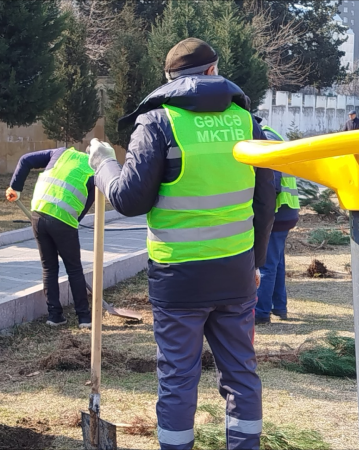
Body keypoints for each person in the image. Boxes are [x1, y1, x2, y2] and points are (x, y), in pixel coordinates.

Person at [88, 37, 275, 450]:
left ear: (169, 80)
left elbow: (129, 199)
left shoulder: (158, 122)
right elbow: (266, 199)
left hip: (178, 277)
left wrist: (103, 163)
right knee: (241, 374)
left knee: (177, 377)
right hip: (236, 271)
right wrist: (257, 263)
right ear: (212, 71)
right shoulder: (246, 122)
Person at [5, 146, 94, 328]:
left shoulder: (61, 153)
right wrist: (70, 225)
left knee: (49, 268)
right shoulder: (95, 170)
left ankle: (54, 316)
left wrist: (15, 187)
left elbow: (25, 159)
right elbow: (86, 204)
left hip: (38, 214)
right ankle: (84, 318)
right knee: (74, 269)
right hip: (63, 220)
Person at [254, 125, 300, 325]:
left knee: (266, 264)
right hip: (284, 211)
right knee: (277, 262)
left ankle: (260, 312)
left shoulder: (265, 137)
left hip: (277, 212)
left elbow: (273, 184)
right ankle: (279, 307)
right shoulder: (271, 133)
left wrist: (261, 215)